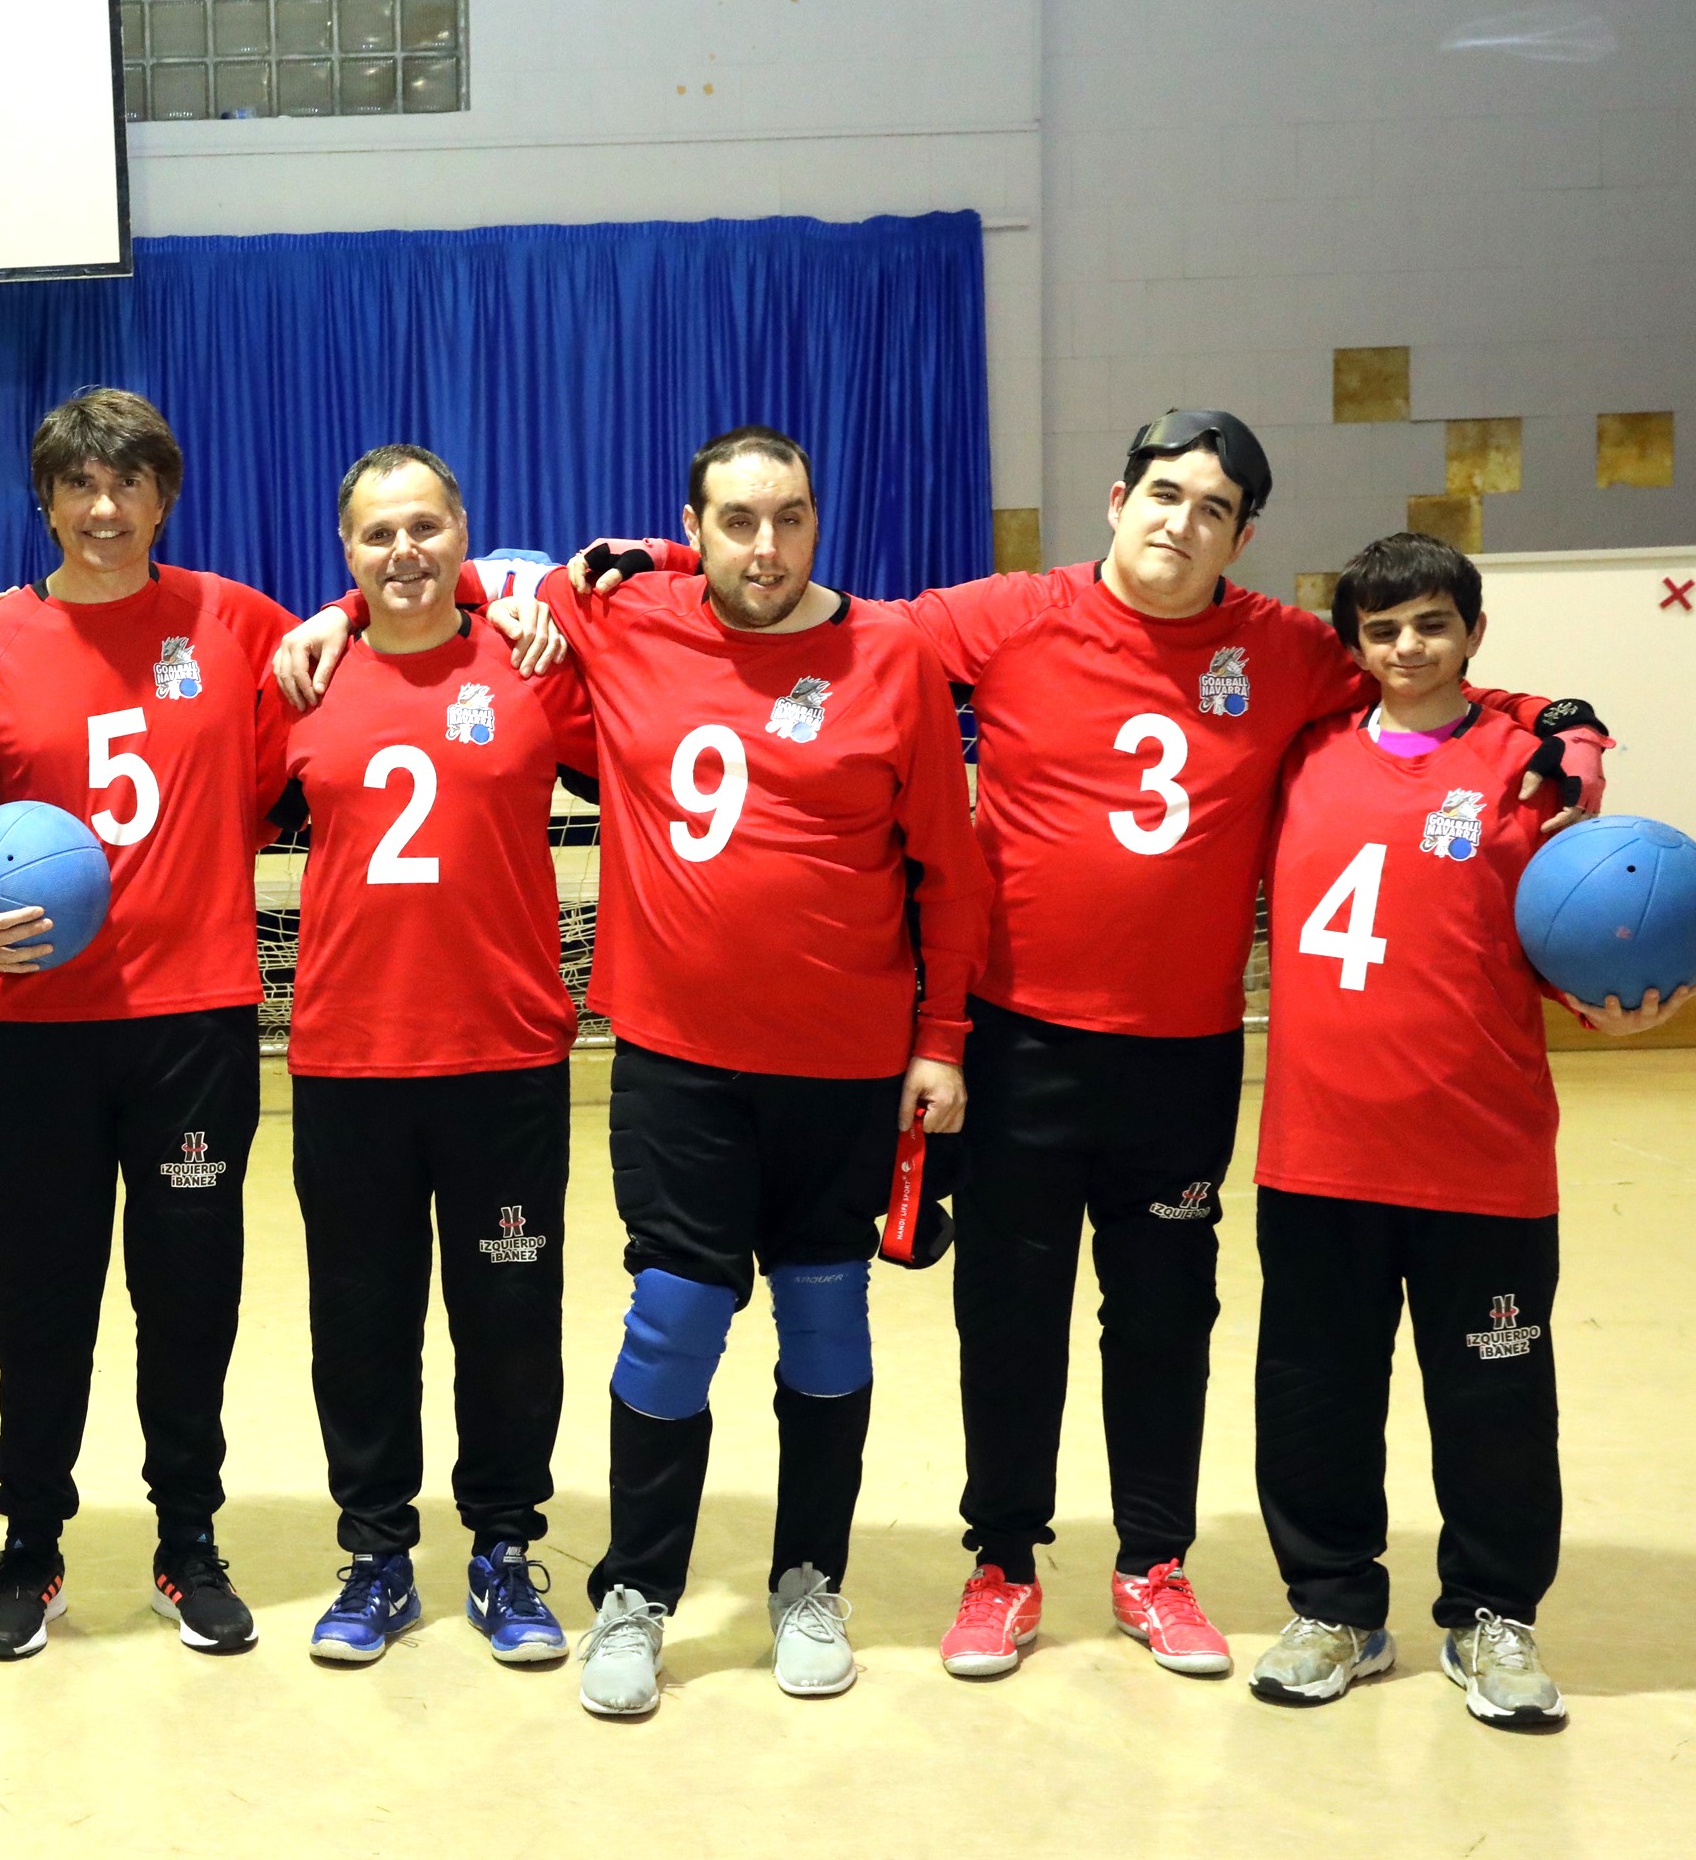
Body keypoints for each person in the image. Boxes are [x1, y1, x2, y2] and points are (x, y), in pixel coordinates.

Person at [285, 408, 1611, 1682]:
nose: (1179, 521)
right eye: (1162, 494)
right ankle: (899, 1568)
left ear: (1241, 533)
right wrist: (353, 611)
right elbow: (476, 584)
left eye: (1211, 507)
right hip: (926, 1044)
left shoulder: (1254, 646)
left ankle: (1095, 1564)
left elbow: (1416, 669)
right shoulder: (974, 614)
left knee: (1124, 1319)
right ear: (1117, 500)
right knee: (909, 1315)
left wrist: (1553, 718)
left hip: (1114, 1049)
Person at [541, 427, 990, 1719]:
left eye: (788, 516)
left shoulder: (889, 655)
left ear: (816, 519)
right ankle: (636, 1591)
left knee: (825, 1319)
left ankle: (806, 1582)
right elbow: (486, 581)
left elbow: (948, 872)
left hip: (843, 1067)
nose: (765, 545)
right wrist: (649, 558)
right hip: (676, 1060)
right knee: (672, 1318)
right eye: (734, 521)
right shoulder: (628, 618)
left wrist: (941, 1040)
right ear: (692, 529)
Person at [1245, 533, 1684, 1728]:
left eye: (1431, 622)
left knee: (1495, 1405)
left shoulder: (1526, 771)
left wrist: (1609, 996)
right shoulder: (1300, 752)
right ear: (1354, 644)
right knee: (1314, 1395)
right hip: (1319, 1152)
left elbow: (1558, 932)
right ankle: (1332, 1606)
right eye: (1381, 629)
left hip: (1480, 1155)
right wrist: (1563, 713)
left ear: (1472, 631)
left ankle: (1493, 1614)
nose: (1406, 647)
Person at [0, 387, 300, 1661]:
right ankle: (30, 1540)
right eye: (79, 484)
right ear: (46, 500)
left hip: (193, 1023)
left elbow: (347, 669)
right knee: (40, 1296)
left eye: (127, 482)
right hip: (41, 1025)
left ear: (163, 496)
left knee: (189, 1295)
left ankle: (188, 1539)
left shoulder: (235, 620)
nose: (104, 507)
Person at [265, 445, 603, 1668]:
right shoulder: (302, 677)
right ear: (343, 550)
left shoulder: (532, 663)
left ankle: (504, 1545)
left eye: (423, 526)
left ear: (464, 533)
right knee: (360, 1323)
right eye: (375, 534)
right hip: (348, 1059)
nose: (401, 550)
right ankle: (374, 1554)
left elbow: (656, 610)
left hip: (501, 1057)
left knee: (508, 1317)